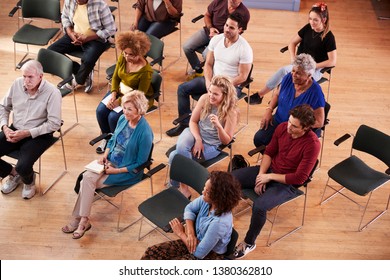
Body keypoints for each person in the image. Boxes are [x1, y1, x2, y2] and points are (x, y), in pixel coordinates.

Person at [232, 104, 321, 259]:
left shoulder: (312, 145)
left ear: (305, 128)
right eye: (289, 122)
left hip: (287, 184)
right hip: (269, 171)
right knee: (229, 179)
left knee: (259, 206)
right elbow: (269, 152)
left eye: (294, 126)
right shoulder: (282, 128)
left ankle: (249, 243)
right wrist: (261, 176)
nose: (289, 127)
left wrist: (269, 177)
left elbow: (300, 178)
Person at [61, 90, 153, 239]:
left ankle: (80, 220)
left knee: (87, 180)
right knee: (87, 179)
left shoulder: (145, 133)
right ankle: (82, 220)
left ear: (139, 110)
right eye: (124, 107)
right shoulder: (123, 119)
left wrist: (115, 171)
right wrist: (104, 155)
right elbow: (112, 140)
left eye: (130, 109)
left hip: (127, 171)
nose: (125, 112)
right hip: (109, 162)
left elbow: (140, 162)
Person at [166, 12, 252, 137]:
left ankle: (216, 134)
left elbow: (243, 76)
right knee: (182, 89)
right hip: (212, 80)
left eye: (231, 27)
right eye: (226, 25)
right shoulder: (217, 39)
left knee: (216, 102)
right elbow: (208, 64)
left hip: (231, 86)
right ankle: (185, 124)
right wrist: (208, 82)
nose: (227, 29)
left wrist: (222, 86)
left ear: (240, 29)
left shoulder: (245, 49)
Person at [246, 2, 336, 104]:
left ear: (324, 20)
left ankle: (262, 95)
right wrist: (293, 58)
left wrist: (314, 65)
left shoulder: (328, 37)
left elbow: (332, 61)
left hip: (314, 70)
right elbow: (292, 43)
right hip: (299, 64)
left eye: (315, 20)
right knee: (287, 73)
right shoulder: (308, 28)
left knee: (285, 72)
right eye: (310, 19)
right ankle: (276, 99)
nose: (311, 22)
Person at [141, 171, 242, 260]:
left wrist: (181, 233)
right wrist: (190, 234)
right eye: (204, 188)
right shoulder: (207, 200)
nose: (203, 192)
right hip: (194, 240)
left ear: (218, 198)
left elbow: (199, 253)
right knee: (152, 252)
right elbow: (189, 208)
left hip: (209, 254)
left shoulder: (219, 223)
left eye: (207, 192)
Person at [168, 75, 238, 199]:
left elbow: (226, 140)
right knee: (181, 147)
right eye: (210, 91)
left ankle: (174, 186)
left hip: (211, 145)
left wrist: (218, 126)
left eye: (215, 94)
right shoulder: (204, 98)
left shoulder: (231, 112)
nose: (211, 95)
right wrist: (198, 139)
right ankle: (184, 187)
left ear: (225, 95)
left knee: (174, 156)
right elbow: (193, 122)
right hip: (195, 133)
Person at [0, 60, 62, 199]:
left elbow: (54, 123)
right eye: (24, 76)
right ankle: (13, 173)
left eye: (30, 77)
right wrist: (4, 127)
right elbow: (3, 106)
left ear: (40, 76)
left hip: (38, 135)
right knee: (19, 169)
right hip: (15, 129)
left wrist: (27, 133)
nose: (26, 81)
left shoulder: (53, 93)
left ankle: (28, 181)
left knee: (24, 166)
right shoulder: (17, 84)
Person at [95, 31, 154, 154]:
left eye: (131, 54)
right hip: (120, 92)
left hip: (136, 98)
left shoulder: (145, 71)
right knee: (100, 111)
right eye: (125, 53)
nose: (127, 57)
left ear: (140, 53)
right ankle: (108, 138)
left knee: (113, 117)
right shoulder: (123, 57)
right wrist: (113, 94)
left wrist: (120, 101)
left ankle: (118, 142)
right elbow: (115, 77)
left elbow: (139, 94)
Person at [253, 53, 325, 148]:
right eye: (293, 71)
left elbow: (319, 122)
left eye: (298, 73)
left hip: (297, 129)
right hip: (279, 121)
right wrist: (269, 110)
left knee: (283, 149)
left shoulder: (316, 92)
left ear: (309, 75)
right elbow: (277, 94)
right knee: (259, 139)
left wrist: (299, 127)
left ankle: (278, 160)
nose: (294, 75)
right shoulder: (288, 78)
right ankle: (274, 159)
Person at [48, 0, 116, 93]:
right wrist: (70, 33)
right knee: (50, 52)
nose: (78, 1)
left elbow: (111, 29)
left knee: (87, 61)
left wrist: (87, 38)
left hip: (95, 39)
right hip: (74, 35)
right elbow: (64, 17)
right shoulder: (70, 1)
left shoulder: (100, 5)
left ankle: (78, 79)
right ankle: (84, 72)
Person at [183, 0, 250, 79]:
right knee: (187, 47)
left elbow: (239, 31)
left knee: (206, 55)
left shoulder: (245, 13)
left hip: (224, 39)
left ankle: (211, 75)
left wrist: (220, 37)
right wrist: (210, 28)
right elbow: (207, 15)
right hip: (208, 31)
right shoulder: (218, 2)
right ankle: (198, 70)